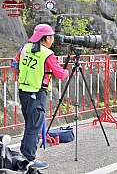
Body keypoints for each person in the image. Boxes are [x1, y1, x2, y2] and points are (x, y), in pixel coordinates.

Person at [10, 24, 69, 169]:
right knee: (34, 127)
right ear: (46, 38)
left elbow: (14, 66)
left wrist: (23, 77)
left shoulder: (24, 49)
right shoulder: (47, 54)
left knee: (30, 125)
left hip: (23, 92)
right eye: (52, 37)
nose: (53, 40)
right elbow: (61, 74)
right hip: (37, 94)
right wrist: (67, 70)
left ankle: (22, 158)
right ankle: (28, 161)